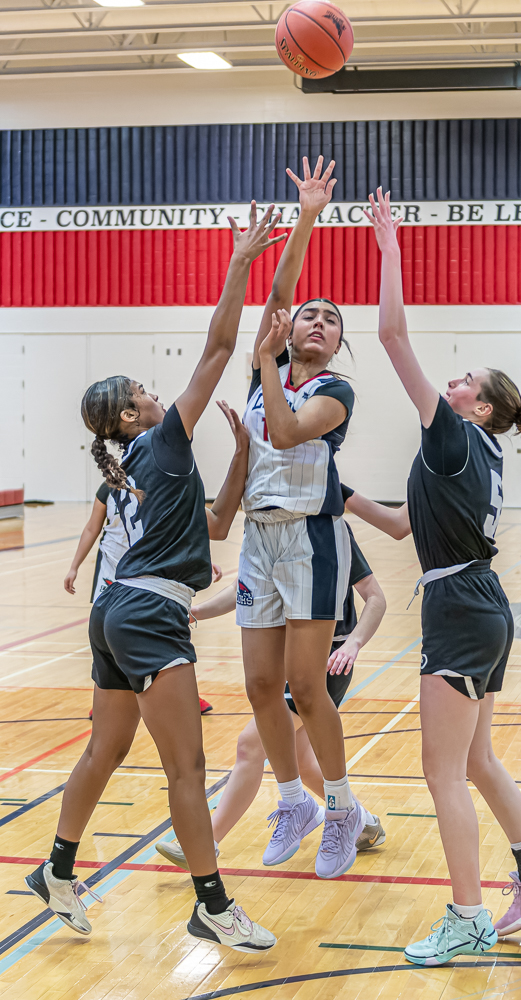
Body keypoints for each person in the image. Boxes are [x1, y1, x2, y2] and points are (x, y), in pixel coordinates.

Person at [24, 202, 286, 954]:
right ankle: (212, 905)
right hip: (146, 614)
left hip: (116, 611)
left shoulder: (145, 464)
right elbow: (220, 345)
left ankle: (57, 870)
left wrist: (241, 458)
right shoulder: (163, 441)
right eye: (142, 388)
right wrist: (240, 261)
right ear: (131, 417)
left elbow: (215, 526)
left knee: (104, 752)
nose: (155, 391)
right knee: (187, 767)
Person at [342, 188, 521, 966]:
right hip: (480, 602)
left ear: (481, 407)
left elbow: (390, 334)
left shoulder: (450, 437)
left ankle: (468, 916)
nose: (452, 381)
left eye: (466, 378)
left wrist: (389, 249)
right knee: (474, 761)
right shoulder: (478, 453)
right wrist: (336, 492)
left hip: (460, 607)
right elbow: (400, 526)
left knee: (440, 772)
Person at [238, 155, 365, 880]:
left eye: (330, 319)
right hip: (258, 538)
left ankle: (341, 807)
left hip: (312, 542)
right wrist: (307, 216)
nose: (316, 321)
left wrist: (266, 361)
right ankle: (294, 802)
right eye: (309, 315)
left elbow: (286, 435)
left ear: (338, 343)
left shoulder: (334, 390)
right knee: (260, 687)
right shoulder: (269, 365)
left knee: (306, 688)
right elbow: (278, 294)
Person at [155, 522, 387, 869]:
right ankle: (362, 822)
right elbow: (245, 589)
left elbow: (376, 597)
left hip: (324, 660)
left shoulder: (329, 528)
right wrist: (198, 611)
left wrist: (354, 642)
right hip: (283, 659)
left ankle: (205, 842)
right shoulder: (265, 529)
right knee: (302, 763)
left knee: (250, 745)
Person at [64, 488, 222, 716]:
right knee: (106, 636)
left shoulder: (154, 481)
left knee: (172, 629)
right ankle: (106, 694)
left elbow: (172, 529)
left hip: (148, 572)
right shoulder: (108, 487)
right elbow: (92, 527)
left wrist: (201, 558)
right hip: (112, 567)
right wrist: (74, 567)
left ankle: (183, 691)